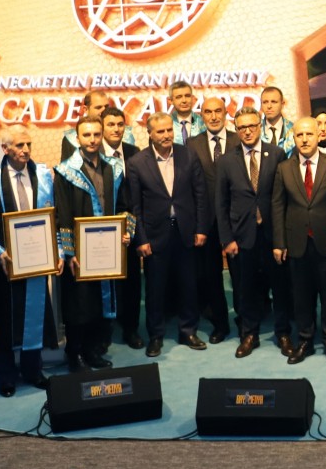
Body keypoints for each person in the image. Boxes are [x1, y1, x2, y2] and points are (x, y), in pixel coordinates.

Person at [0, 125, 56, 397]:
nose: (26, 150)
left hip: (35, 260)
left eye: (28, 144)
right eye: (20, 145)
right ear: (5, 149)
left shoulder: (42, 175)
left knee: (33, 314)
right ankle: (6, 375)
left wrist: (55, 250)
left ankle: (33, 369)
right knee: (2, 319)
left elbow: (53, 215)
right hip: (2, 263)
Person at [54, 115, 133, 371]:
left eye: (96, 134)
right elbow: (62, 215)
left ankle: (93, 350)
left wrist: (126, 230)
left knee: (100, 303)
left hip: (107, 250)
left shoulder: (114, 168)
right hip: (80, 252)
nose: (92, 140)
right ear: (77, 138)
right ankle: (75, 353)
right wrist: (69, 253)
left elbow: (126, 206)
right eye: (87, 135)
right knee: (79, 305)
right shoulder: (66, 171)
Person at [128, 113, 210, 357]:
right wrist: (141, 239)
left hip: (186, 231)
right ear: (150, 134)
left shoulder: (188, 155)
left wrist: (201, 228)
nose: (166, 135)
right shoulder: (137, 162)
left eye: (168, 130)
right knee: (155, 289)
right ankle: (156, 336)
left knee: (188, 285)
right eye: (160, 131)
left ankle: (188, 331)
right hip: (154, 236)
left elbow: (200, 195)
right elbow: (135, 206)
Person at [218, 106, 292, 358]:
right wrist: (227, 239)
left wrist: (282, 239)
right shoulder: (226, 160)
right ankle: (248, 334)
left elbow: (283, 199)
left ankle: (283, 333)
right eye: (242, 127)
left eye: (252, 126)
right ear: (236, 129)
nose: (247, 131)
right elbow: (221, 203)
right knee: (245, 289)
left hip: (272, 235)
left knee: (280, 287)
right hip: (241, 237)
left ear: (260, 126)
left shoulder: (277, 154)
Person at [272, 117, 326, 365]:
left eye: (309, 134)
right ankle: (305, 340)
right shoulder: (284, 168)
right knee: (301, 297)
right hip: (296, 243)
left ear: (318, 135)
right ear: (294, 138)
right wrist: (279, 242)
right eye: (299, 135)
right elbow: (278, 206)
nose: (304, 139)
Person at [186, 96, 240, 343]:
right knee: (211, 276)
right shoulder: (192, 144)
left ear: (226, 113)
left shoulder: (239, 140)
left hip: (236, 220)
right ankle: (220, 324)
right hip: (206, 220)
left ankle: (245, 321)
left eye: (218, 111)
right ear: (202, 115)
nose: (214, 116)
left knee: (240, 275)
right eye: (208, 112)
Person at [99, 106, 145, 350]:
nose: (116, 129)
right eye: (111, 124)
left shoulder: (134, 152)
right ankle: (103, 333)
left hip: (131, 229)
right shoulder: (93, 153)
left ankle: (131, 329)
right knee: (105, 283)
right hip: (103, 230)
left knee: (131, 282)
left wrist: (130, 227)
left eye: (120, 124)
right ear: (102, 127)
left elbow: (139, 193)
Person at [61, 90, 137, 159]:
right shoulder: (71, 139)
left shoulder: (124, 135)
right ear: (86, 109)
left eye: (106, 106)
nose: (104, 110)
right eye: (98, 107)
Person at [259, 86, 296, 154]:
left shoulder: (294, 130)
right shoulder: (256, 131)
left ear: (282, 104)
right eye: (265, 102)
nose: (269, 106)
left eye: (274, 102)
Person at [169, 80, 206, 145]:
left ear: (192, 98)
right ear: (171, 101)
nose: (184, 100)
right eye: (179, 97)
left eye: (187, 96)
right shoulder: (166, 123)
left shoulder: (203, 122)